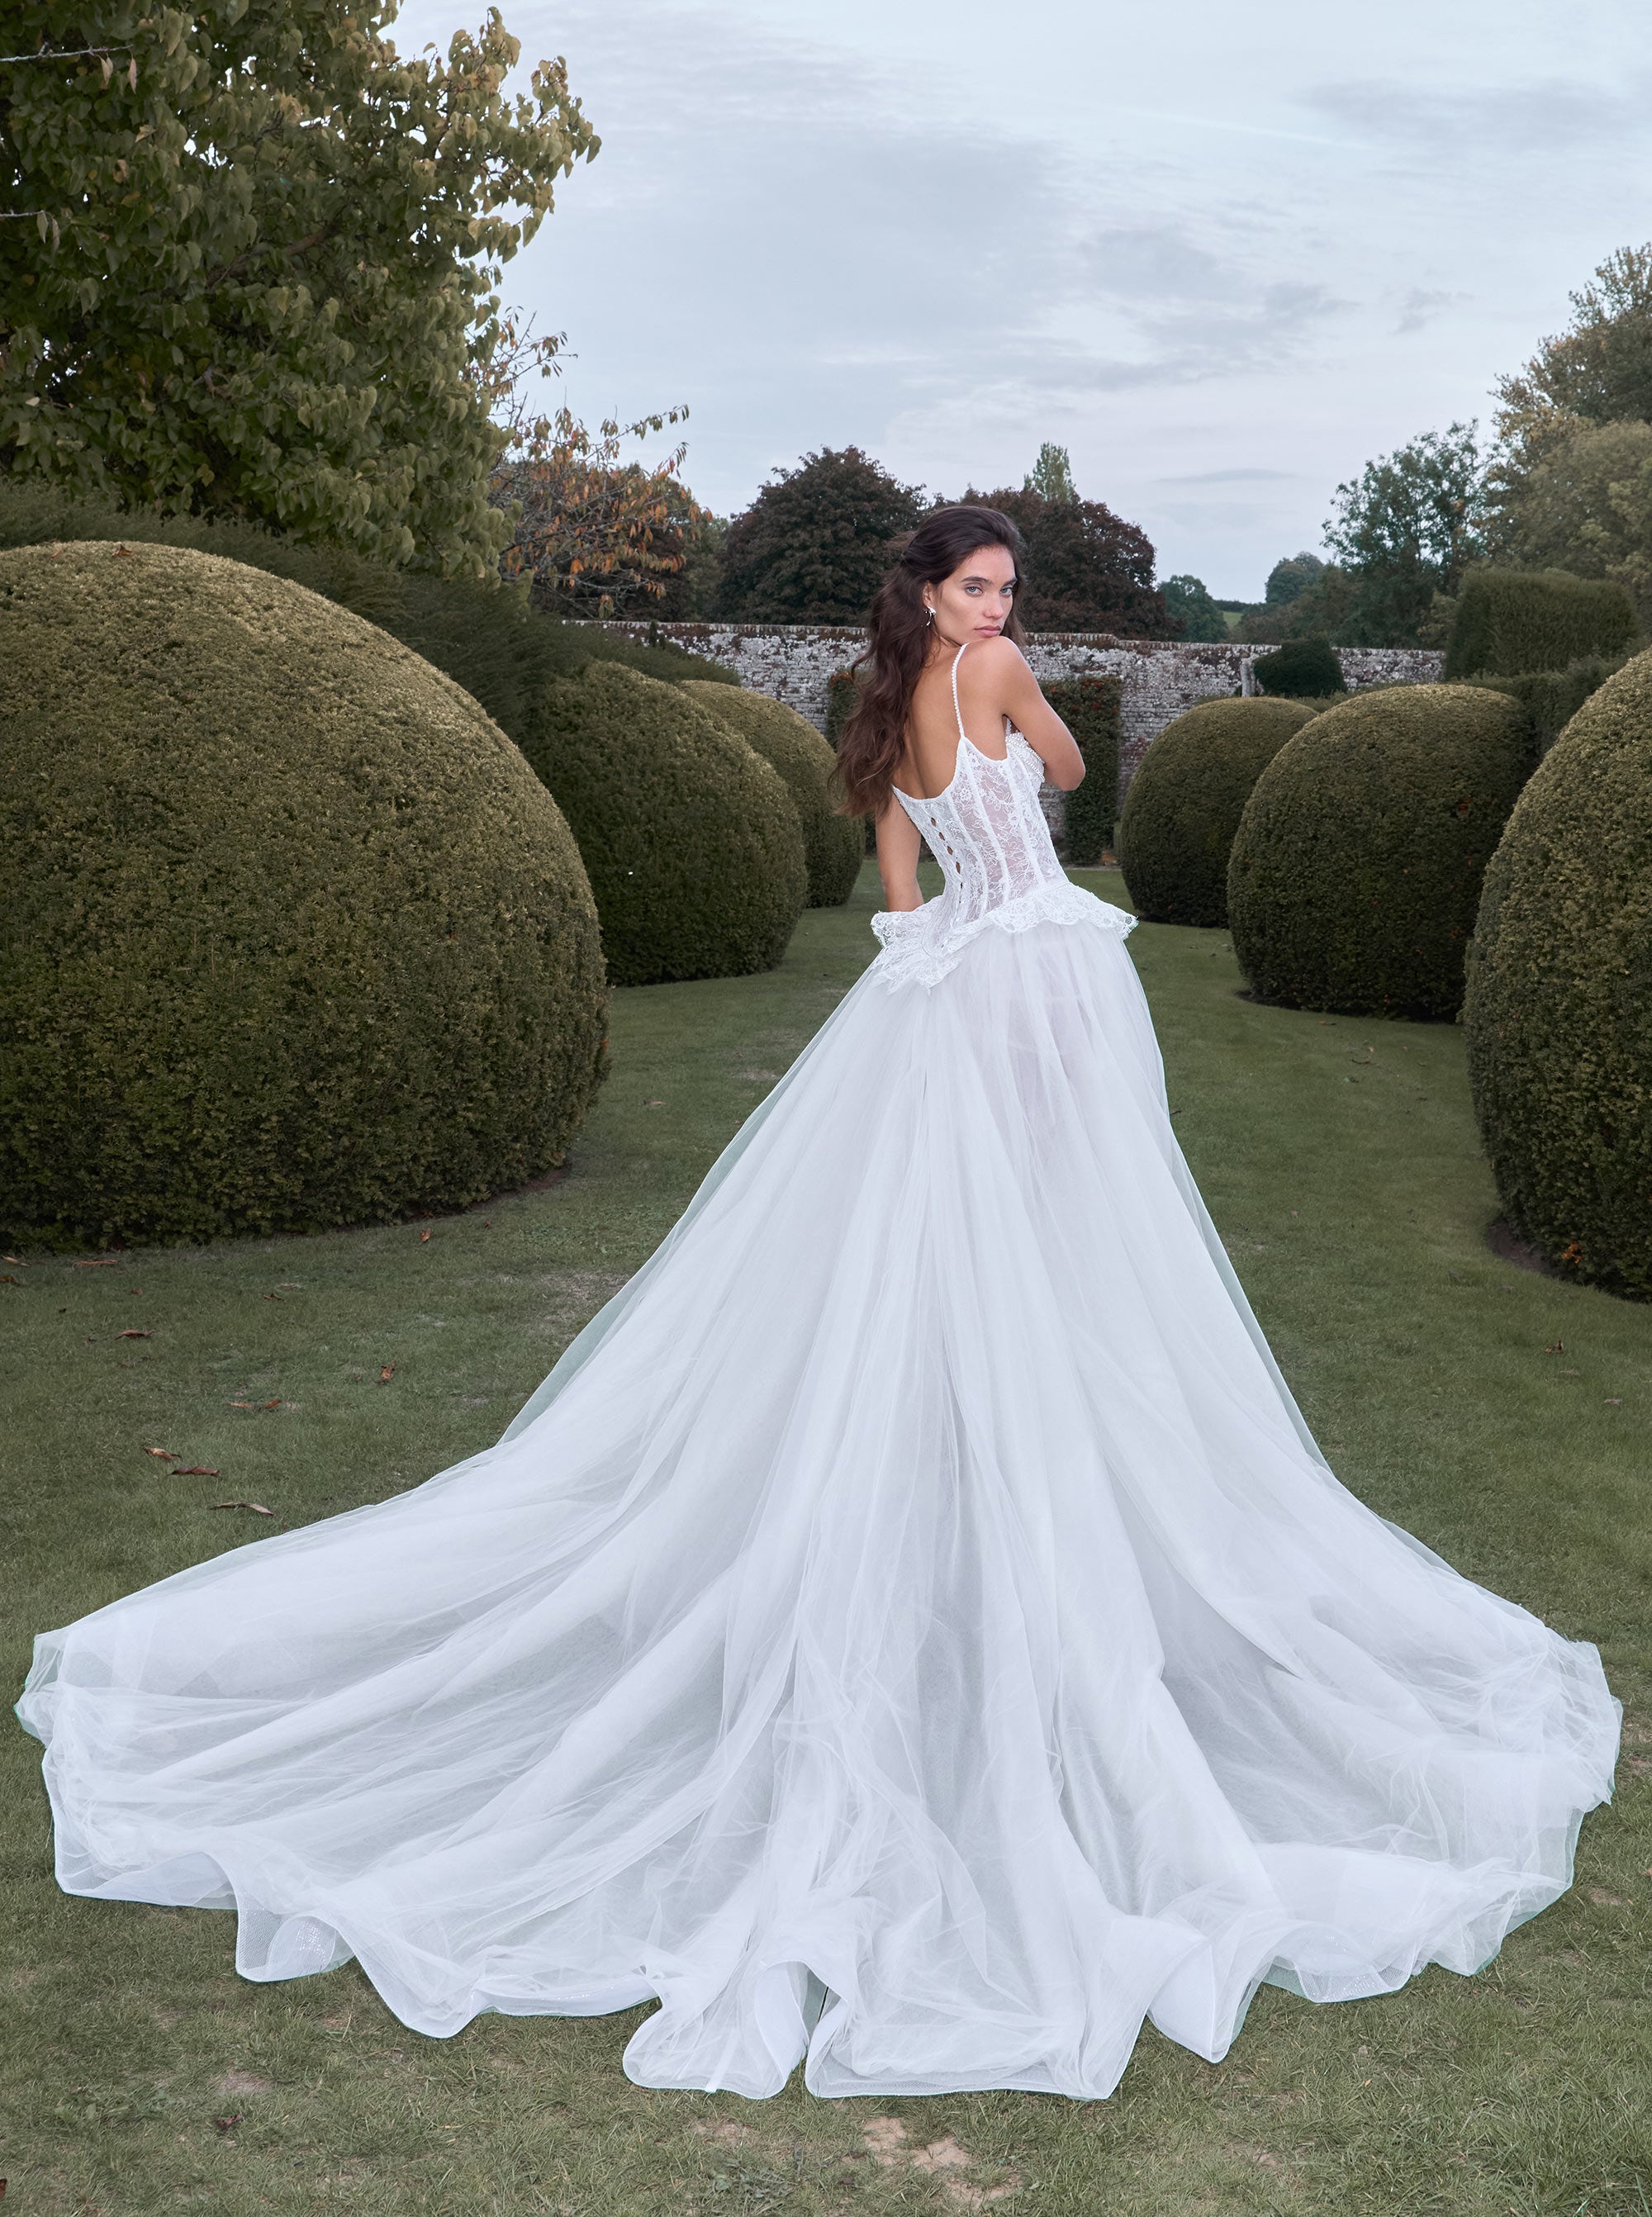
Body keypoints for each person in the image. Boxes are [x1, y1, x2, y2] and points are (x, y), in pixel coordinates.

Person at [17, 506, 1619, 2103]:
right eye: (981, 584)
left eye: (1006, 590)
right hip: (1040, 987)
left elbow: (900, 867)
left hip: (940, 994)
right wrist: (1023, 690)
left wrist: (936, 923)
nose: (999, 605)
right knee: (1064, 1259)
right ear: (935, 592)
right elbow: (1066, 783)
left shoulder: (878, 715)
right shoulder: (991, 675)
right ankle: (1019, 1552)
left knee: (940, 1265)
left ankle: (960, 1531)